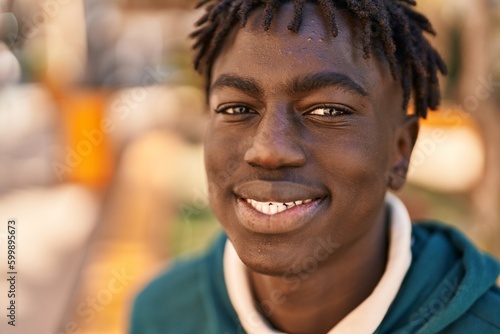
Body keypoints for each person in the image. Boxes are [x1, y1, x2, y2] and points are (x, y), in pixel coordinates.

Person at [130, 0, 500, 333]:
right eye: (237, 109)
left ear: (399, 151)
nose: (268, 150)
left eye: (328, 111)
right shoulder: (163, 315)